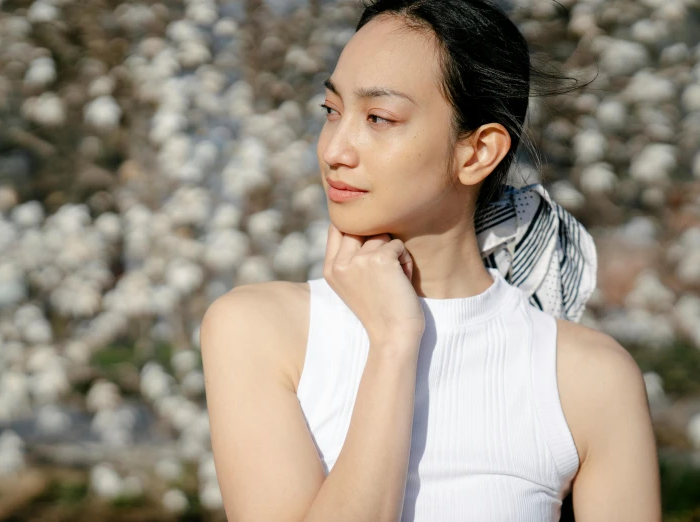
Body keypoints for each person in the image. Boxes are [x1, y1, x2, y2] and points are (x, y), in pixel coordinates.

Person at [200, 0, 662, 520]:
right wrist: (393, 344)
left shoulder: (587, 377)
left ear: (477, 152)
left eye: (379, 117)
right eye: (332, 111)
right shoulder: (260, 331)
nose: (334, 149)